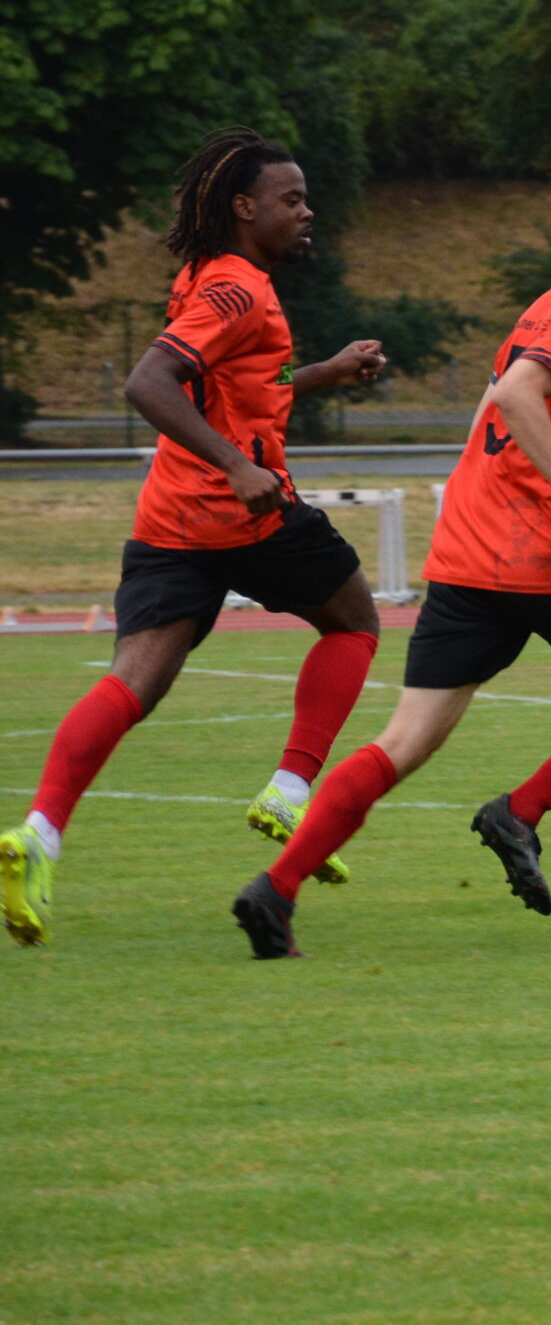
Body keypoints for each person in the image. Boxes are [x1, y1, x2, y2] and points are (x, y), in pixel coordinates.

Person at [230, 170, 551, 958]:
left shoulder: (547, 306)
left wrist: (530, 492)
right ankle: (520, 811)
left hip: (470, 552)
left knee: (405, 741)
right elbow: (516, 396)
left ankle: (274, 889)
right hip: (544, 556)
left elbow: (494, 408)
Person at [0, 130, 386, 947]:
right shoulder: (240, 288)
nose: (307, 211)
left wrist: (326, 371)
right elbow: (150, 381)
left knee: (133, 683)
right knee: (355, 621)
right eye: (291, 199)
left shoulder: (208, 278)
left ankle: (39, 834)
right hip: (244, 510)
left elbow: (247, 382)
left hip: (171, 519)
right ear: (245, 208)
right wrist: (236, 466)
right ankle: (289, 790)